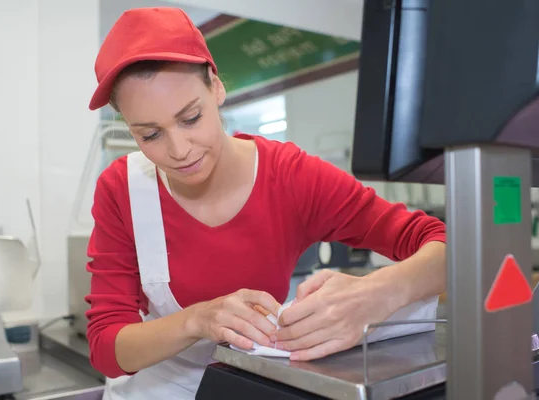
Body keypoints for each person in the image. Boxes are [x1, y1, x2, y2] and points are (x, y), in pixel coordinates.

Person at [85, 6, 447, 400]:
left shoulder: (290, 177)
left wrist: (374, 295)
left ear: (216, 87)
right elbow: (106, 346)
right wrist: (197, 320)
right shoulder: (123, 188)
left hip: (254, 389)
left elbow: (446, 246)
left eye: (191, 118)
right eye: (150, 135)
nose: (179, 150)